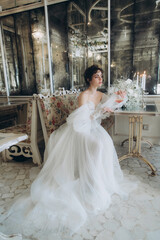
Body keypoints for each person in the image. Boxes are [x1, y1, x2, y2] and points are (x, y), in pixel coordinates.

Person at [0, 65, 133, 240]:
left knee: (103, 142)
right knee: (97, 144)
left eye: (101, 76)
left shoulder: (101, 95)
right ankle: (89, 182)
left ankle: (97, 180)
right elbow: (81, 120)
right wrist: (101, 111)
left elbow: (112, 105)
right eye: (96, 76)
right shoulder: (83, 96)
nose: (100, 79)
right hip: (79, 130)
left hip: (93, 128)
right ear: (89, 79)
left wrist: (119, 98)